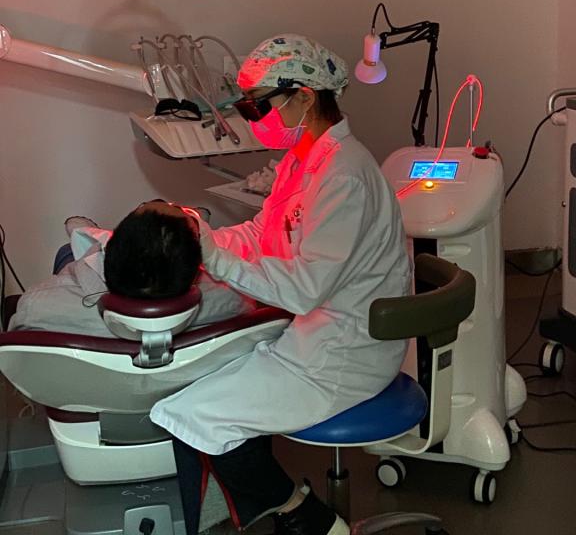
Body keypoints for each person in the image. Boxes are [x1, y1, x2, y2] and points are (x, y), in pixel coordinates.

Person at [149, 34, 412, 535]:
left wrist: (214, 259)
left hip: (344, 354)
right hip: (314, 335)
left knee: (189, 416)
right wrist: (204, 238)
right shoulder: (303, 159)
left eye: (256, 105)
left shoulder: (344, 175)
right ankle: (266, 512)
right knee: (192, 398)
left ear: (304, 97)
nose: (253, 117)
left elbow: (303, 290)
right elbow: (263, 232)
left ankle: (307, 517)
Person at [8, 204, 256, 336]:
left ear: (108, 250)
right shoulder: (233, 301)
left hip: (86, 399)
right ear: (196, 270)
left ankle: (84, 233)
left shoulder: (37, 307)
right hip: (175, 390)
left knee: (67, 253)